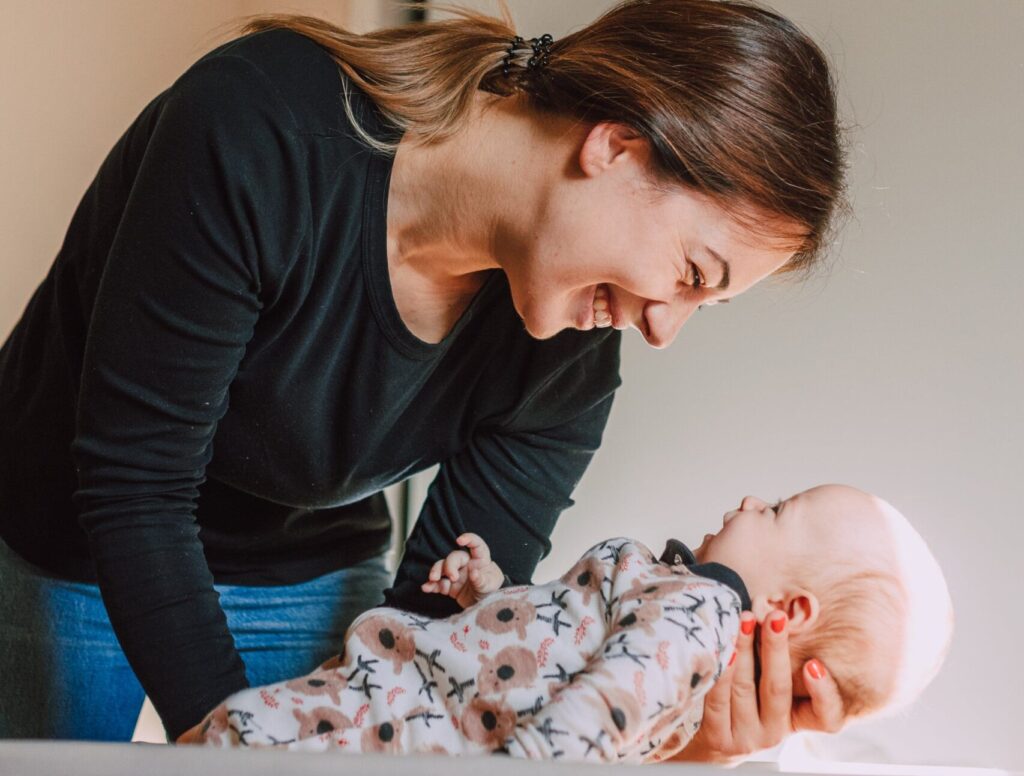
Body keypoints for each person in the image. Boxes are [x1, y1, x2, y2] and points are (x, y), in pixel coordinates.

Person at [0, 0, 849, 755]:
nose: (665, 328)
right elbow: (133, 484)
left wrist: (671, 739)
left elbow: (444, 674)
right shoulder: (260, 127)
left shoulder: (571, 362)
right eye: (694, 274)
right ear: (618, 147)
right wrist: (245, 750)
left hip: (305, 565)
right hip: (69, 533)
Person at [190, 485, 953, 761]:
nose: (753, 499)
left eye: (780, 509)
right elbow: (549, 656)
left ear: (789, 611)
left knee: (223, 740)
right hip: (401, 704)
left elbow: (587, 720)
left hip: (401, 720)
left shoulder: (697, 613)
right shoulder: (680, 607)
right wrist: (488, 595)